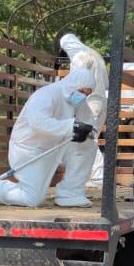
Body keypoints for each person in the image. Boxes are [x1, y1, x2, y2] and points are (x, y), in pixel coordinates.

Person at [0, 68, 96, 207]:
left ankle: (70, 193)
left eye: (87, 93)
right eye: (83, 91)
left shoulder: (77, 101)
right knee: (31, 199)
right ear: (73, 83)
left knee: (87, 145)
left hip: (54, 147)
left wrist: (87, 132)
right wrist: (71, 126)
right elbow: (38, 123)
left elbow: (88, 121)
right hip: (29, 150)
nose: (83, 96)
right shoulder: (47, 94)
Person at [53, 34, 108, 207]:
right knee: (90, 138)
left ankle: (98, 178)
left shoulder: (79, 58)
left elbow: (76, 84)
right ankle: (97, 177)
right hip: (99, 101)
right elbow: (104, 83)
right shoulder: (95, 55)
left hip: (89, 102)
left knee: (86, 140)